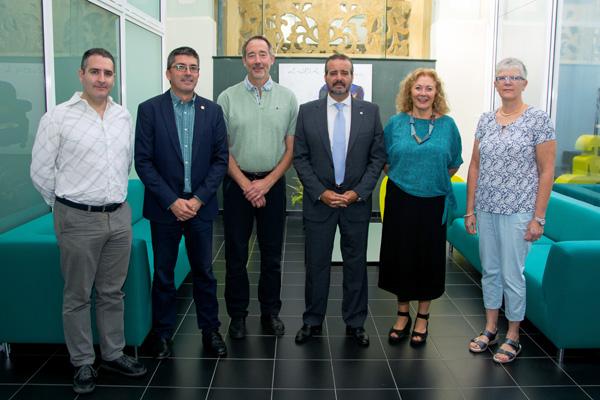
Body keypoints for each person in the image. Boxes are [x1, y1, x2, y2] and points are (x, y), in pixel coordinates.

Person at [30, 48, 147, 394]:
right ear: (81, 75)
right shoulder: (58, 117)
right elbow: (39, 171)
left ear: (114, 78)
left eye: (107, 73)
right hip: (77, 218)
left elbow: (123, 164)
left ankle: (112, 353)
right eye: (94, 72)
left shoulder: (122, 116)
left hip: (118, 217)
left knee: (113, 291)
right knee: (77, 294)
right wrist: (65, 206)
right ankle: (82, 361)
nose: (101, 79)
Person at [135, 47, 229, 358]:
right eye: (180, 66)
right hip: (165, 209)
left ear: (199, 73)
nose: (187, 72)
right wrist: (172, 200)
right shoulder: (149, 110)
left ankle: (211, 330)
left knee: (204, 270)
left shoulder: (212, 111)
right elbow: (143, 162)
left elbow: (220, 160)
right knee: (163, 272)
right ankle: (162, 334)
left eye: (193, 67)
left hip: (200, 209)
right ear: (169, 72)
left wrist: (199, 198)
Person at [466, 58, 555, 363]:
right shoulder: (486, 120)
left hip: (519, 212)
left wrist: (538, 217)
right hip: (487, 208)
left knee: (512, 275)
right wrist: (470, 210)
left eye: (514, 77)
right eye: (501, 77)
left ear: (524, 84)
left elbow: (546, 171)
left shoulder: (538, 120)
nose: (507, 81)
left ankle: (513, 335)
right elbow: (475, 166)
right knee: (490, 271)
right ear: (495, 83)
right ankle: (490, 328)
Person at [293, 54, 386, 347]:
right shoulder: (307, 112)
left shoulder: (370, 112)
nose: (339, 77)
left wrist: (358, 192)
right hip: (320, 203)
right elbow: (301, 157)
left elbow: (378, 157)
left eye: (344, 72)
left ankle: (355, 323)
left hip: (355, 203)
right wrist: (321, 192)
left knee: (356, 265)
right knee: (316, 264)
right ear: (325, 77)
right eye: (333, 72)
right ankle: (312, 321)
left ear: (352, 77)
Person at [216, 36, 298, 339]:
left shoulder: (289, 98)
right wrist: (247, 185)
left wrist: (266, 183)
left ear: (272, 59)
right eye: (251, 55)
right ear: (244, 61)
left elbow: (290, 149)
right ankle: (237, 315)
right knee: (235, 255)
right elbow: (222, 150)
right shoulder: (227, 97)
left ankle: (270, 312)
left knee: (272, 255)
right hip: (237, 185)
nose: (258, 60)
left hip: (273, 185)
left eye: (263, 54)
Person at [378, 68, 463, 346]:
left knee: (427, 259)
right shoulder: (396, 123)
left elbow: (453, 163)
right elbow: (386, 162)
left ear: (436, 93)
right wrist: (410, 178)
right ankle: (402, 314)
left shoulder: (448, 126)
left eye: (429, 88)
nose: (423, 93)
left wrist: (429, 180)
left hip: (433, 202)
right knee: (401, 257)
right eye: (418, 88)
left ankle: (423, 316)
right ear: (409, 92)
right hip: (400, 199)